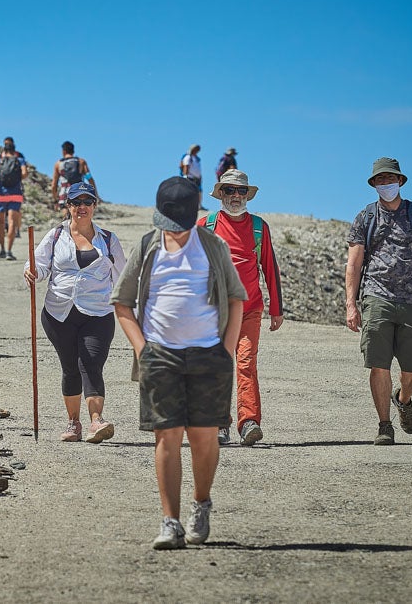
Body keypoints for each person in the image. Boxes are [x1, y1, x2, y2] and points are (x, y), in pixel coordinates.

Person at [112, 176, 246, 550]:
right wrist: (143, 350)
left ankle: (201, 503)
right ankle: (170, 523)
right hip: (161, 356)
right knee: (166, 437)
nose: (175, 231)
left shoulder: (214, 246)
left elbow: (237, 299)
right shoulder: (147, 246)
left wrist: (226, 349)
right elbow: (122, 303)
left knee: (204, 439)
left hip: (209, 355)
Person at [345, 157, 412, 446]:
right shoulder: (366, 217)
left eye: (391, 179)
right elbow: (354, 263)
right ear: (374, 184)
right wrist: (351, 303)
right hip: (376, 297)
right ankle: (384, 425)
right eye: (381, 180)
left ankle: (403, 398)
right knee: (378, 364)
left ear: (400, 181)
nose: (386, 184)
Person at [24, 182, 127, 443]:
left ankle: (96, 421)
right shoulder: (55, 235)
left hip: (98, 313)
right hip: (59, 313)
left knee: (91, 364)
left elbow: (122, 277)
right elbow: (40, 264)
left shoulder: (108, 240)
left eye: (87, 202)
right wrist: (33, 271)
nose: (82, 207)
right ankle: (74, 423)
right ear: (68, 206)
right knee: (70, 368)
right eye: (76, 202)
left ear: (94, 206)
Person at [198, 169, 283, 446]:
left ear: (248, 195)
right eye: (230, 191)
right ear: (220, 193)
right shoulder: (205, 226)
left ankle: (249, 423)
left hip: (250, 309)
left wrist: (276, 309)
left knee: (246, 363)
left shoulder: (259, 227)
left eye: (241, 191)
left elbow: (269, 267)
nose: (236, 196)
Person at [0, 136, 28, 260]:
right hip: (16, 194)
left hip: (1, 194)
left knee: (1, 222)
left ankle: (1, 248)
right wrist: (16, 178)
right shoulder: (20, 160)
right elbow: (24, 174)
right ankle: (9, 251)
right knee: (12, 222)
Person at [50, 141, 95, 219]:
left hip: (64, 193)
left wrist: (55, 199)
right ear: (73, 151)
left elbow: (54, 185)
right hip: (79, 191)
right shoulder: (81, 162)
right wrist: (94, 193)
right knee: (79, 217)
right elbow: (89, 178)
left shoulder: (58, 164)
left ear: (63, 151)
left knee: (66, 218)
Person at [180, 143, 205, 210]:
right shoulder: (188, 157)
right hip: (190, 177)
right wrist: (185, 176)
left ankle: (198, 206)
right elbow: (186, 166)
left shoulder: (196, 158)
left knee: (199, 192)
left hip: (197, 179)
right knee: (190, 192)